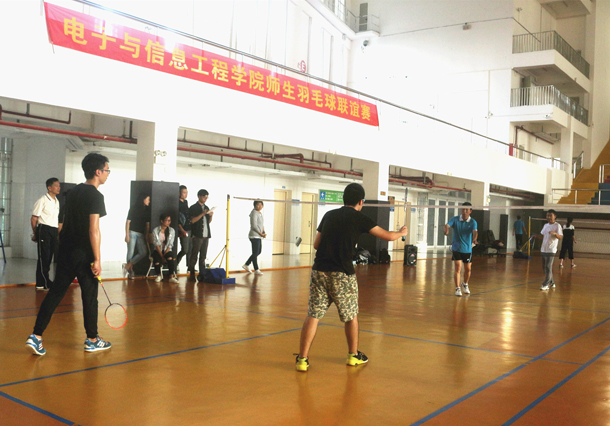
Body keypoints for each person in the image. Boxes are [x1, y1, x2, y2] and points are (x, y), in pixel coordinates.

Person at [295, 183, 408, 372]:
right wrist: (401, 233)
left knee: (313, 315)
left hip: (319, 271)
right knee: (351, 316)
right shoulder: (360, 218)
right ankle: (353, 355)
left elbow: (316, 245)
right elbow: (388, 237)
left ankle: (302, 360)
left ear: (344, 199)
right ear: (361, 201)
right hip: (342, 274)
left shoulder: (329, 215)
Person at [26, 153, 112, 356]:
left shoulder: (72, 192)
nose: (108, 174)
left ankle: (36, 336)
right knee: (89, 297)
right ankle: (92, 340)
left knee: (55, 293)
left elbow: (62, 223)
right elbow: (93, 230)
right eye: (107, 170)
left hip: (65, 250)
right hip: (83, 253)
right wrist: (97, 259)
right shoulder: (96, 196)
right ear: (98, 172)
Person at [31, 177, 62, 291]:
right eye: (56, 186)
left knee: (49, 257)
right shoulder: (42, 200)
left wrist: (57, 234)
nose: (59, 188)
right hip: (44, 229)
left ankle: (42, 282)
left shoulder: (57, 201)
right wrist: (35, 233)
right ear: (49, 187)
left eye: (59, 186)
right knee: (43, 256)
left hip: (53, 230)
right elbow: (34, 218)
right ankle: (44, 282)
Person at [444, 202, 478, 297]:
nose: (464, 211)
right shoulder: (455, 219)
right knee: (458, 267)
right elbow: (447, 225)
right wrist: (446, 229)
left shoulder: (473, 222)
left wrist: (474, 239)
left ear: (470, 211)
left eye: (466, 209)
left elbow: (475, 232)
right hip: (456, 248)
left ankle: (465, 284)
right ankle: (457, 288)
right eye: (463, 209)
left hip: (467, 249)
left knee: (468, 269)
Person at [122, 193, 151, 279]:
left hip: (141, 234)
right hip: (132, 232)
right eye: (148, 199)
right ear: (143, 200)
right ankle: (130, 271)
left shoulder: (147, 210)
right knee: (130, 252)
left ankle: (127, 265)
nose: (149, 201)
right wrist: (127, 235)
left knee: (143, 252)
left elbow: (147, 225)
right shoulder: (133, 208)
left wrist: (146, 235)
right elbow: (128, 222)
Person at [534, 209, 563, 291]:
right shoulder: (545, 225)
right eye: (547, 215)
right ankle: (551, 282)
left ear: (555, 216)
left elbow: (560, 237)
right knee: (545, 267)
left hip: (551, 249)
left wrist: (555, 234)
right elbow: (543, 236)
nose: (548, 217)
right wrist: (536, 236)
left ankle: (545, 284)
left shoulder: (557, 226)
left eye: (550, 215)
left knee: (548, 266)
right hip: (544, 249)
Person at [188, 189, 214, 280]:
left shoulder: (207, 207)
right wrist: (202, 214)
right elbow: (192, 221)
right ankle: (191, 271)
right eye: (204, 197)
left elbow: (208, 222)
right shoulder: (193, 207)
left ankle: (202, 273)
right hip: (197, 234)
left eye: (207, 197)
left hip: (206, 234)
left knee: (203, 255)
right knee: (194, 254)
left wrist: (211, 215)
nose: (205, 199)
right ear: (199, 196)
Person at [151, 213, 179, 283]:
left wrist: (165, 253)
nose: (168, 222)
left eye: (169, 220)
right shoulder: (156, 230)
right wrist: (162, 256)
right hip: (158, 250)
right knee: (156, 260)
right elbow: (156, 244)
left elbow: (170, 244)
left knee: (170, 258)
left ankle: (171, 276)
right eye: (167, 220)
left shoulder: (172, 230)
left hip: (167, 250)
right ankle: (159, 275)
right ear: (162, 221)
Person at [243, 200, 266, 275]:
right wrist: (260, 233)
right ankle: (256, 269)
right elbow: (254, 226)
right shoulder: (254, 213)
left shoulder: (260, 213)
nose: (259, 206)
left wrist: (263, 232)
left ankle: (246, 264)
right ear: (254, 205)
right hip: (254, 235)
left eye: (261, 205)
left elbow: (261, 224)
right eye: (258, 205)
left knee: (258, 252)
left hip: (259, 236)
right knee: (255, 252)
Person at [176, 185, 191, 270]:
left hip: (188, 227)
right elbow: (178, 218)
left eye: (187, 192)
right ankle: (175, 263)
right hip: (182, 228)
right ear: (179, 193)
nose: (186, 194)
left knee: (189, 249)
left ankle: (189, 266)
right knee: (185, 249)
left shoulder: (186, 202)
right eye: (184, 192)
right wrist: (182, 230)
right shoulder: (177, 203)